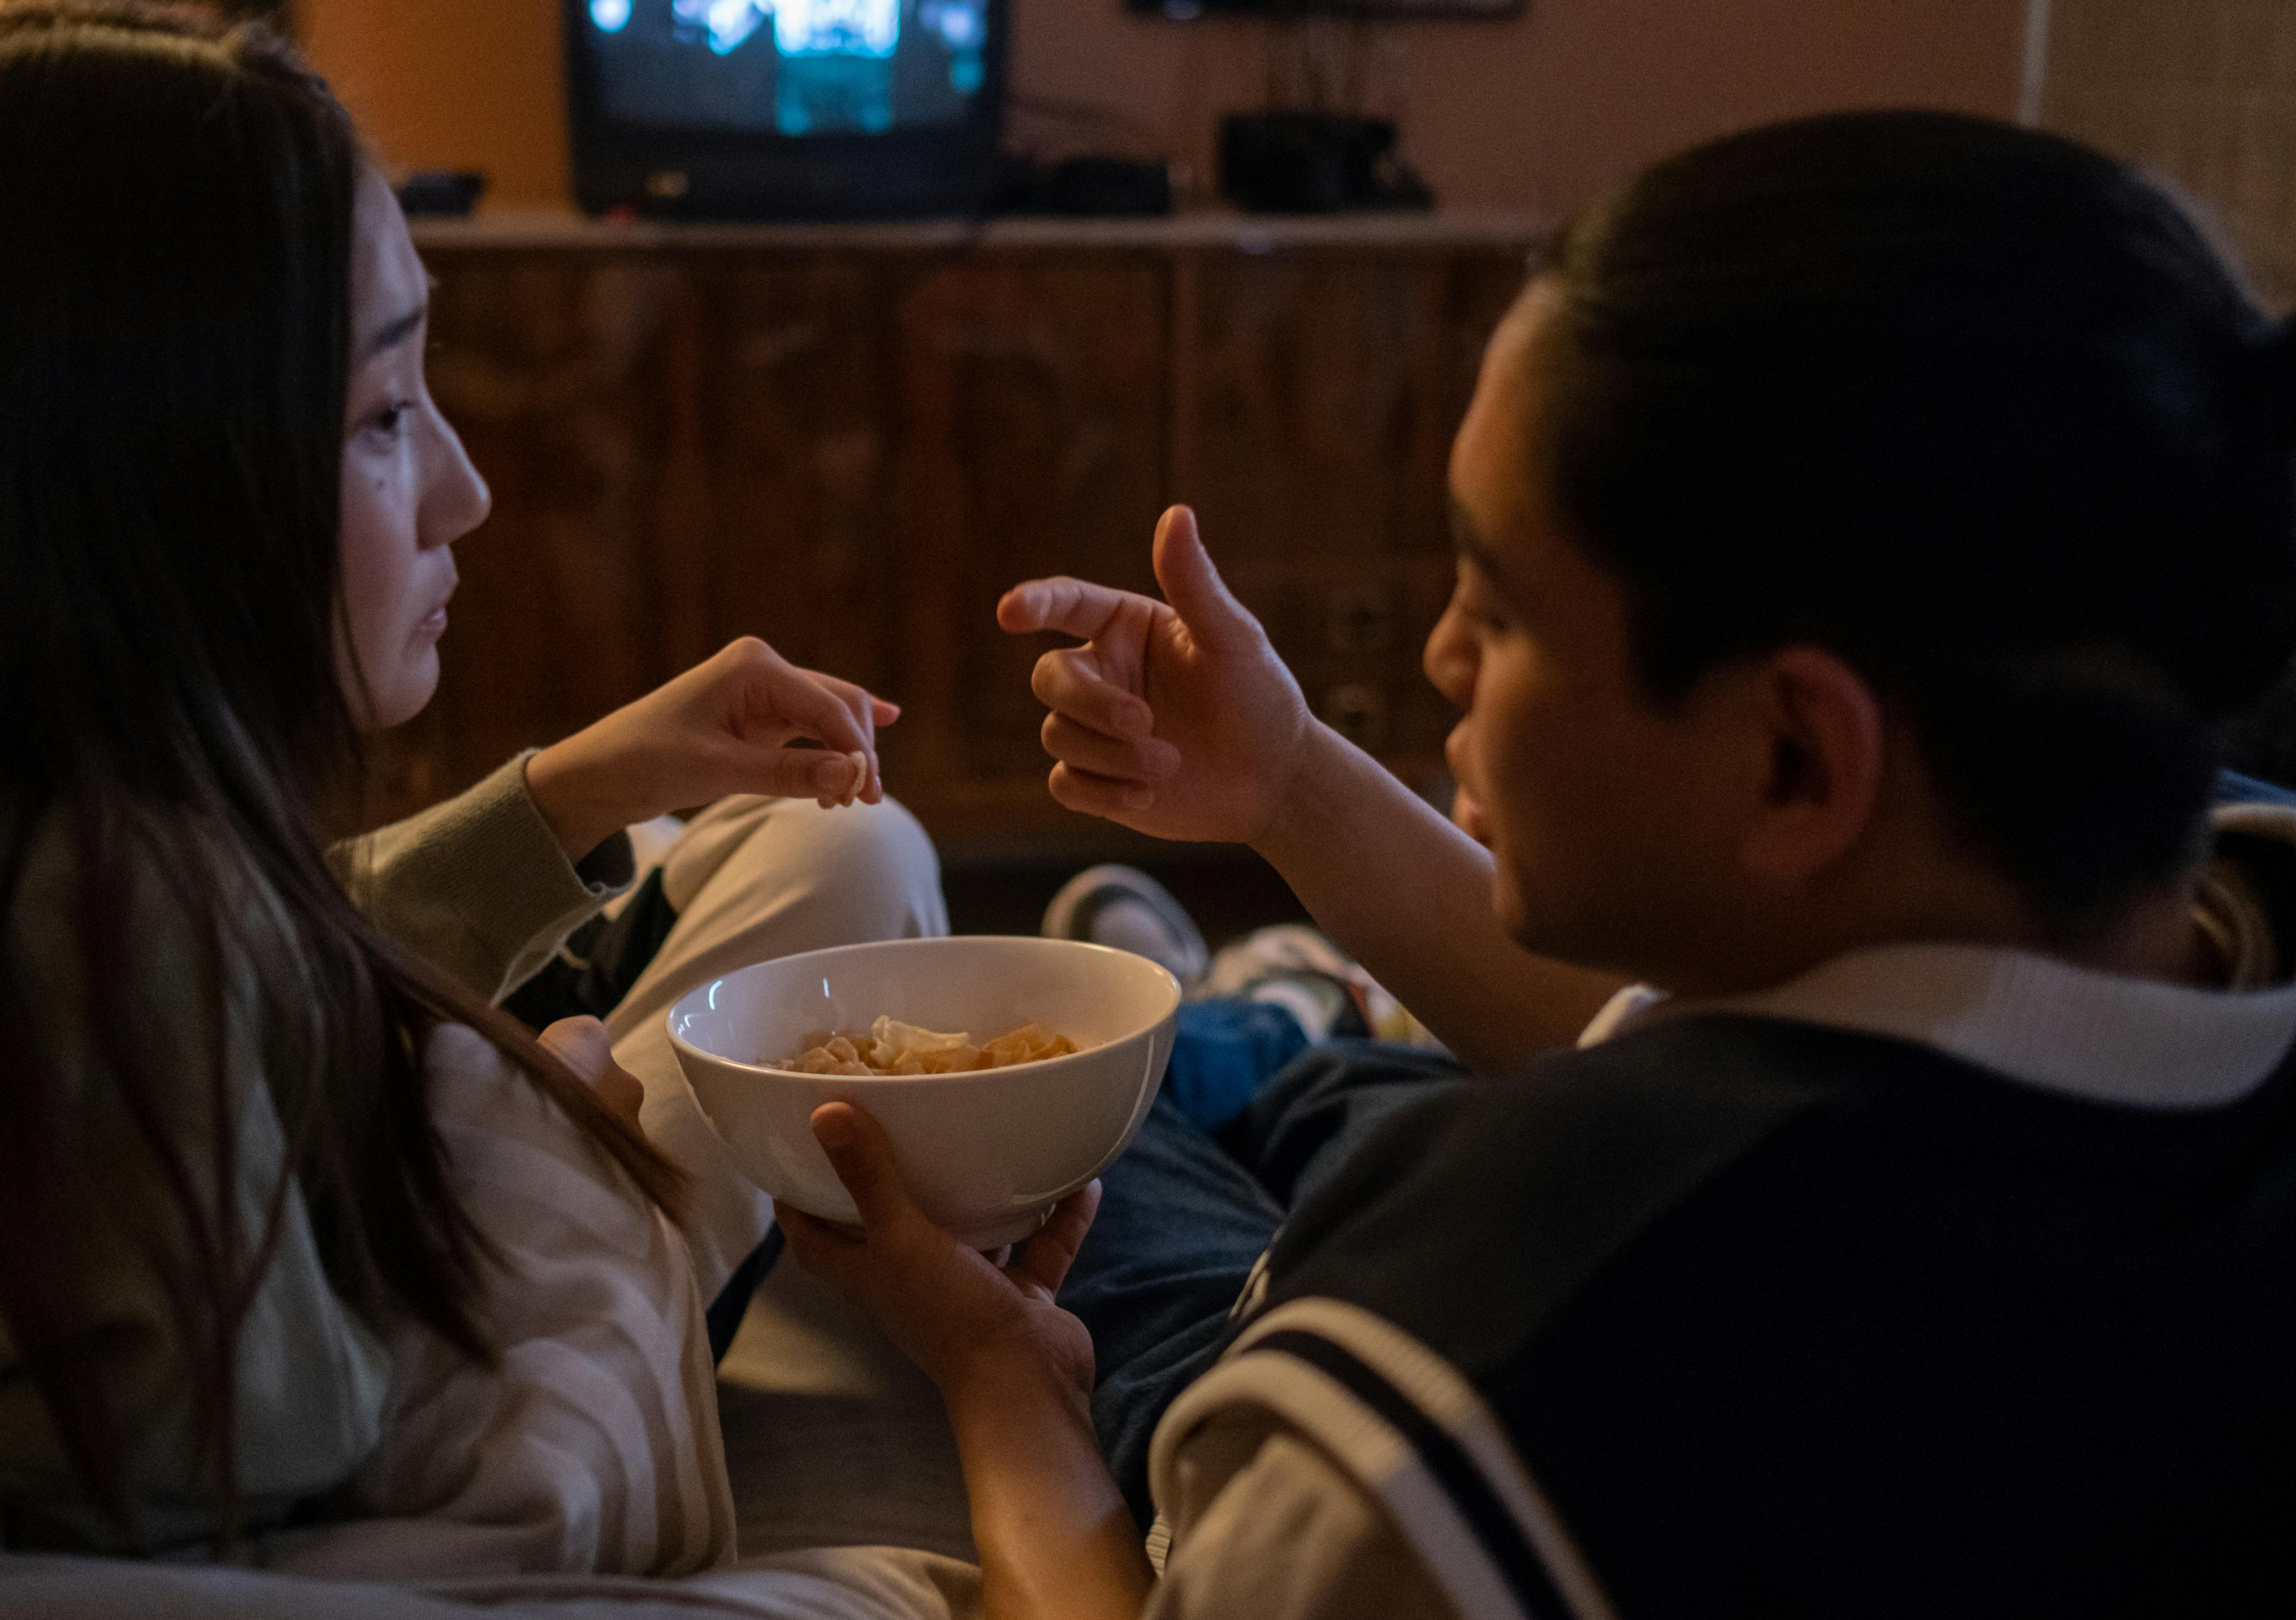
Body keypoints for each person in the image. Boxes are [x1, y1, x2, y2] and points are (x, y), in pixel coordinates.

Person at [780, 110, 2296, 1618]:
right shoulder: (2218, 869)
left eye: (1496, 613)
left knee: (1131, 1129)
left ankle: (1246, 1022)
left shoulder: (1474, 1375)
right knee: (1329, 1098)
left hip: (1309, 1331)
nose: (1440, 656)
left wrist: (1004, 1378)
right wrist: (1290, 779)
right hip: (1466, 1168)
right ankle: (1285, 1029)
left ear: (1795, 757)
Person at [0, 0, 946, 1564]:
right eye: (383, 415)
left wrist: (578, 788)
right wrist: (553, 1157)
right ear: (118, 469)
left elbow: (269, 966)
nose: (467, 486)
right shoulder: (97, 924)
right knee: (856, 907)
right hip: (448, 1280)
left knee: (830, 848)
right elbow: (289, 1466)